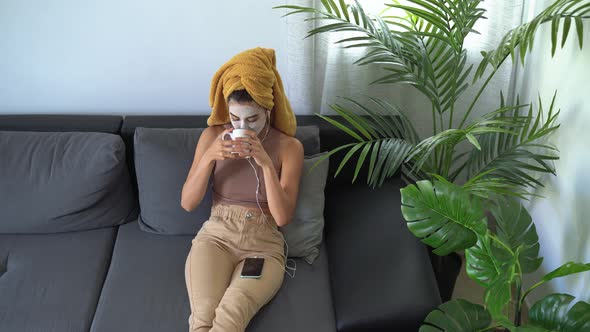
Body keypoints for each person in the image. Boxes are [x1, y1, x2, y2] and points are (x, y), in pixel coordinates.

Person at [180, 47, 304, 332]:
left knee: (230, 317)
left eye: (252, 119)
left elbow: (283, 217)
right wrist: (210, 156)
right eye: (236, 119)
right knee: (203, 318)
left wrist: (264, 163)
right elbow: (187, 203)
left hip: (262, 246)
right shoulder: (212, 136)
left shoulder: (289, 147)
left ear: (268, 111)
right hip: (216, 237)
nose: (243, 127)